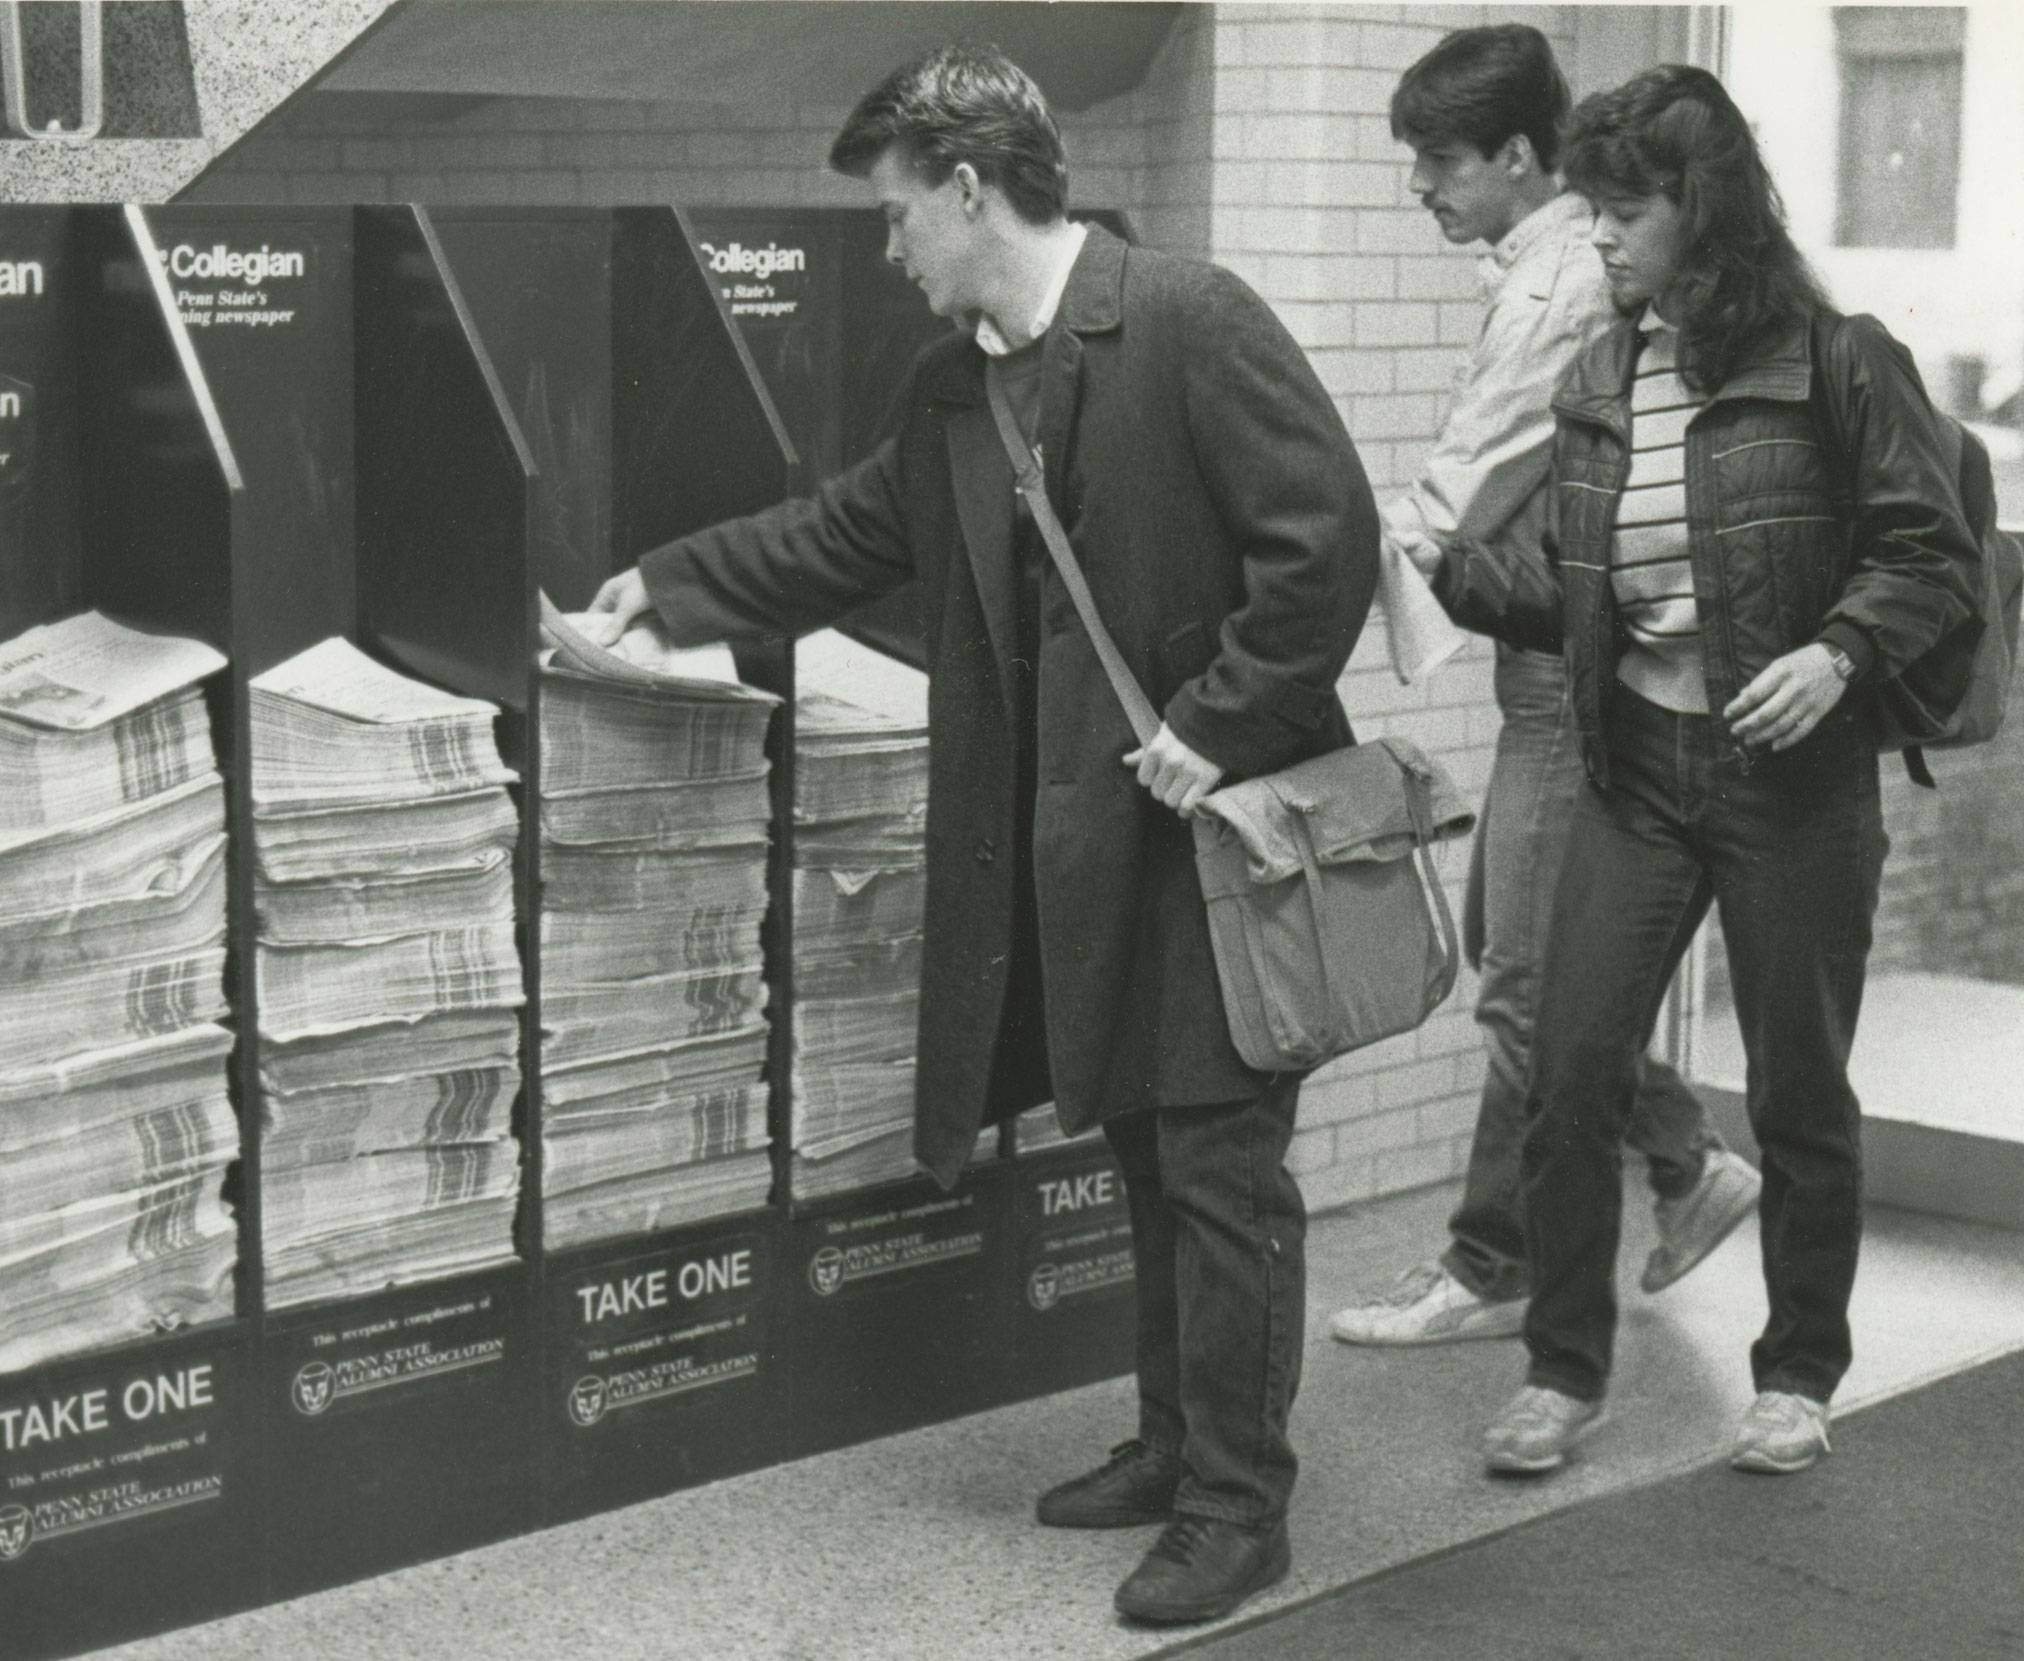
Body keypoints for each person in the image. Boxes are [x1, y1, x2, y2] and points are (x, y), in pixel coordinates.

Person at [583, 45, 1379, 1624]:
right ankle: (1171, 1445)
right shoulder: (961, 384)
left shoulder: (1187, 317)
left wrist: (1213, 718)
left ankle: (1239, 1503)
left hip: (1210, 840)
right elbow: (848, 528)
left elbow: (1327, 541)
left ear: (968, 188)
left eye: (895, 216)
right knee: (1156, 1162)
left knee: (1222, 1176)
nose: (888, 249)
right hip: (1089, 858)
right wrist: (667, 588)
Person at [1436, 65, 1980, 1476]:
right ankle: (1566, 1367)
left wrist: (1843, 653)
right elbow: (1575, 586)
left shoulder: (1838, 359)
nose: (1601, 236)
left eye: (1624, 209)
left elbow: (1929, 554)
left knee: (1799, 1090)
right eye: (1593, 208)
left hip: (1789, 776)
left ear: (1703, 206)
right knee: (1569, 1069)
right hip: (1639, 763)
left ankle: (1797, 1370)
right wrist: (1436, 571)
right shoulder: (1605, 373)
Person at [1329, 24, 1757, 1351]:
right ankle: (1688, 1161)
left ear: (1521, 156)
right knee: (1523, 970)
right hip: (1555, 675)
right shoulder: (1557, 269)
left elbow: (1459, 495)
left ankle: (1491, 1258)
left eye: (1440, 162)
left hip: (1579, 685)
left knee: (1523, 986)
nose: (1424, 189)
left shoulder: (1559, 283)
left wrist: (1309, 577)